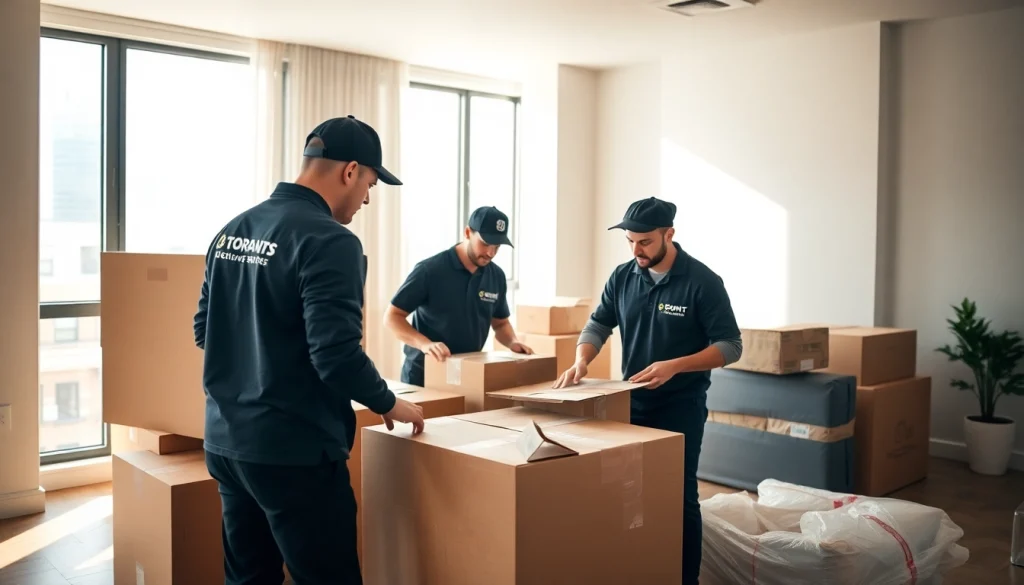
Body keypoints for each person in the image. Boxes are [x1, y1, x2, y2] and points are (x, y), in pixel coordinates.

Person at [193, 115, 426, 585]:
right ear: (350, 170)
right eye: (370, 184)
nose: (366, 198)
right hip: (293, 453)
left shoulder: (233, 229)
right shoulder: (331, 241)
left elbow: (205, 331)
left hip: (227, 443)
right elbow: (335, 355)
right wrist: (390, 401)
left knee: (248, 578)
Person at [553, 196, 742, 585]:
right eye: (630, 242)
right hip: (630, 405)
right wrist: (581, 360)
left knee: (680, 498)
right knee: (626, 495)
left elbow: (731, 346)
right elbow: (598, 325)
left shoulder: (702, 282)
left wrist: (675, 366)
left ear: (668, 234)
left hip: (681, 407)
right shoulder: (623, 277)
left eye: (645, 242)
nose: (636, 250)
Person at [384, 206, 533, 386]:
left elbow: (500, 324)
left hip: (467, 375)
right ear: (468, 232)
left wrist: (513, 342)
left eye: (497, 246)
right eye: (485, 243)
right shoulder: (430, 270)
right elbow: (392, 317)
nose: (490, 253)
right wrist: (425, 344)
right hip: (424, 375)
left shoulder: (496, 276)